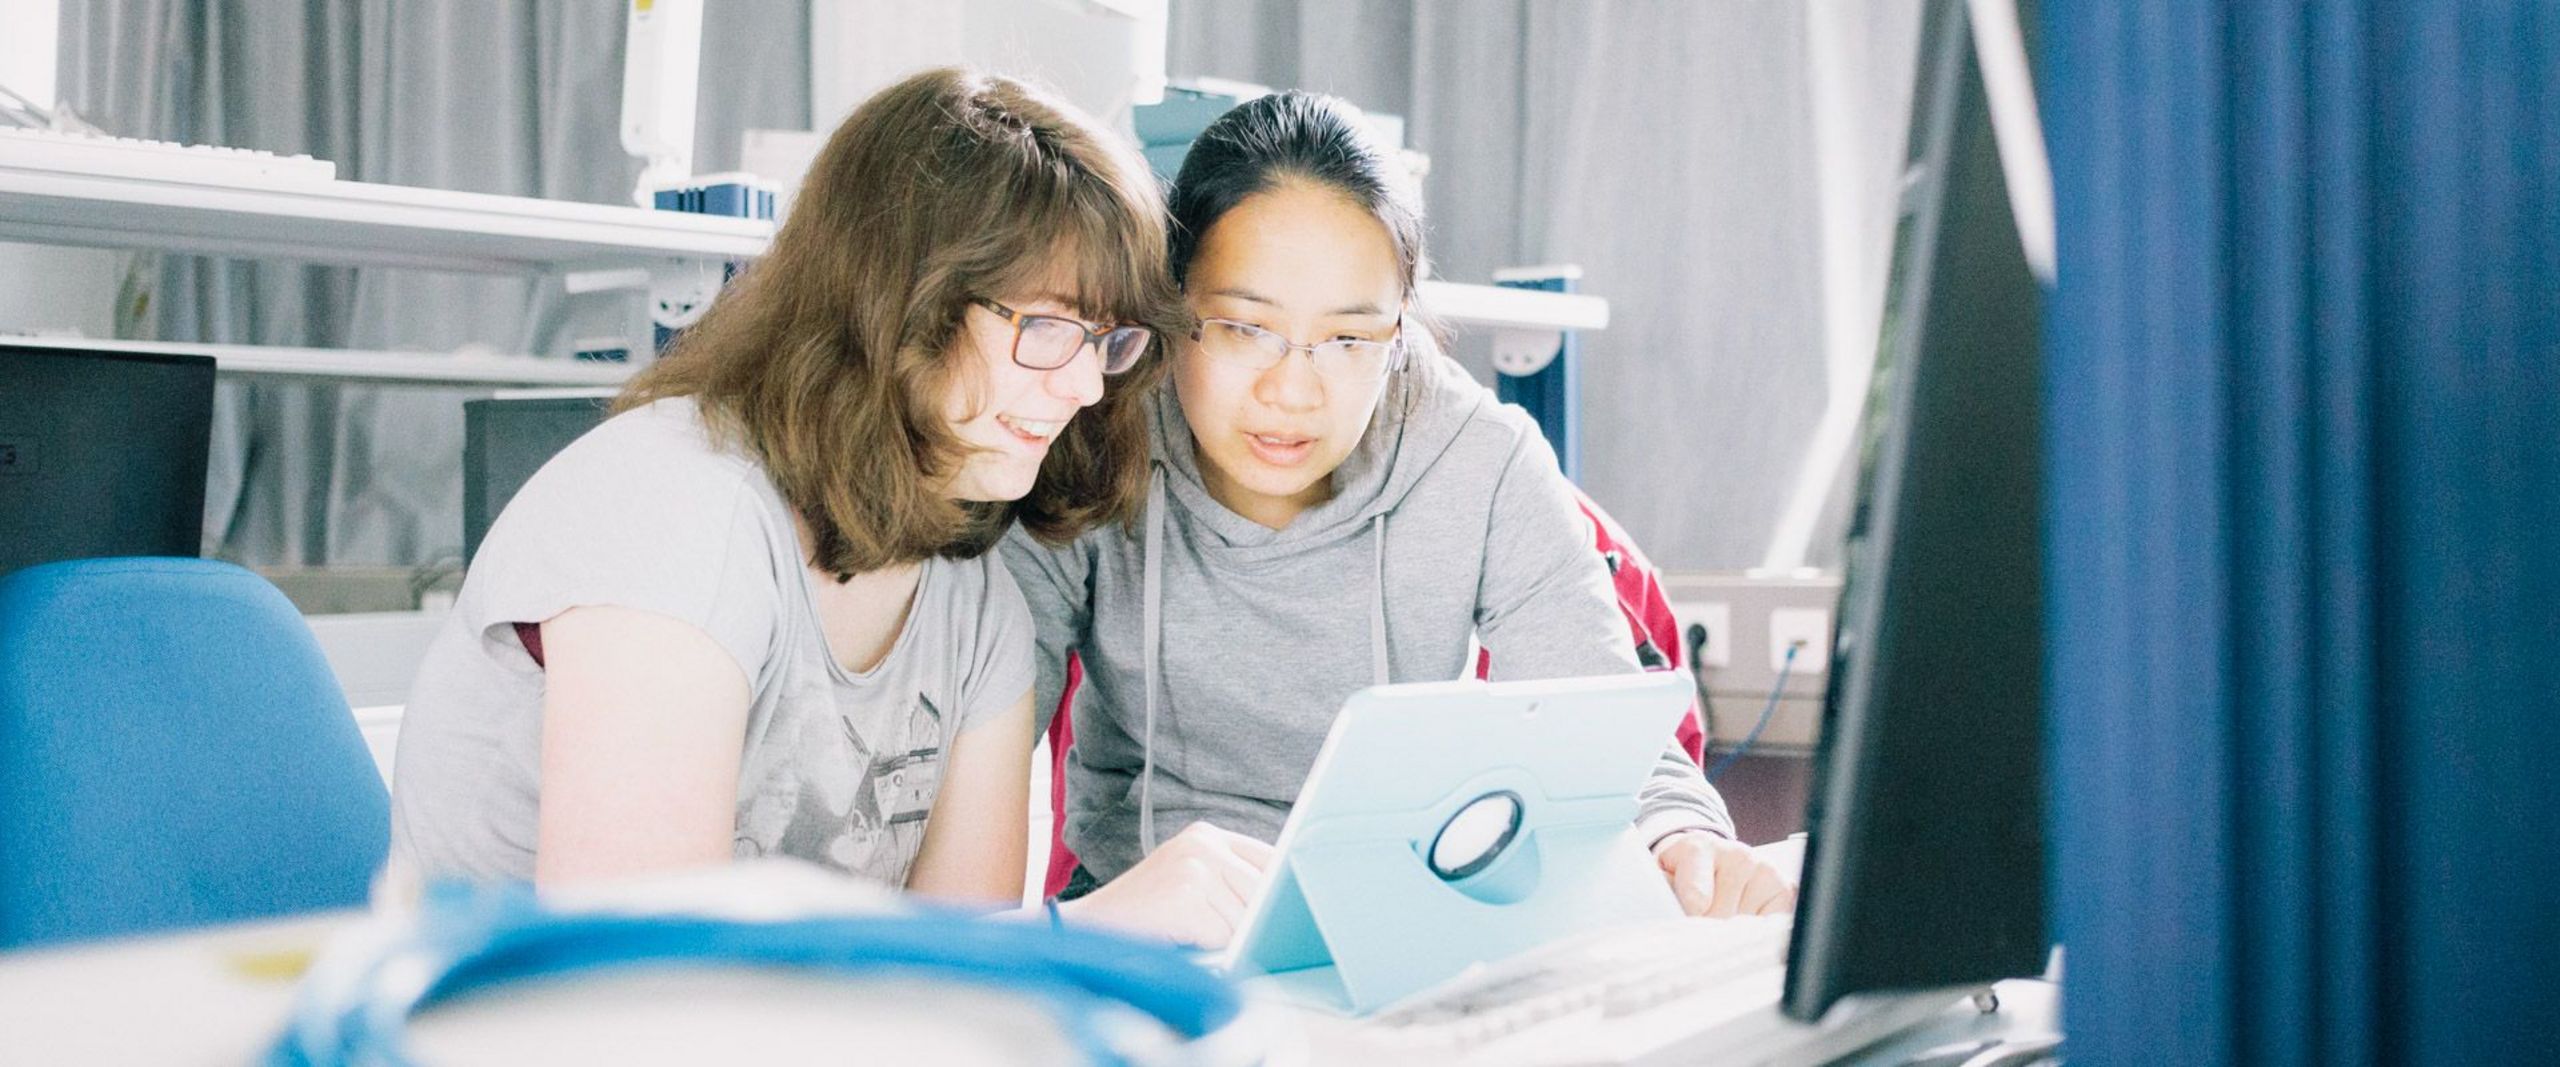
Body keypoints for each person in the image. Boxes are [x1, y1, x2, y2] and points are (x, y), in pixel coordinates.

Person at [389, 68, 1262, 940]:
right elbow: (638, 986)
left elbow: (955, 991)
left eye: (1105, 341)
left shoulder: (976, 598)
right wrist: (1088, 930)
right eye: (1045, 328)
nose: (1080, 384)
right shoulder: (677, 511)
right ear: (899, 301)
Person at [1003, 91, 1797, 941]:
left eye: (1349, 340)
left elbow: (1610, 742)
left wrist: (1685, 839)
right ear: (1170, 303)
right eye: (1243, 327)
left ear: (1402, 327)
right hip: (1151, 923)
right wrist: (1077, 926)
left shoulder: (1478, 458)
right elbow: (982, 750)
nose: (1293, 391)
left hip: (1396, 932)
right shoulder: (1097, 435)